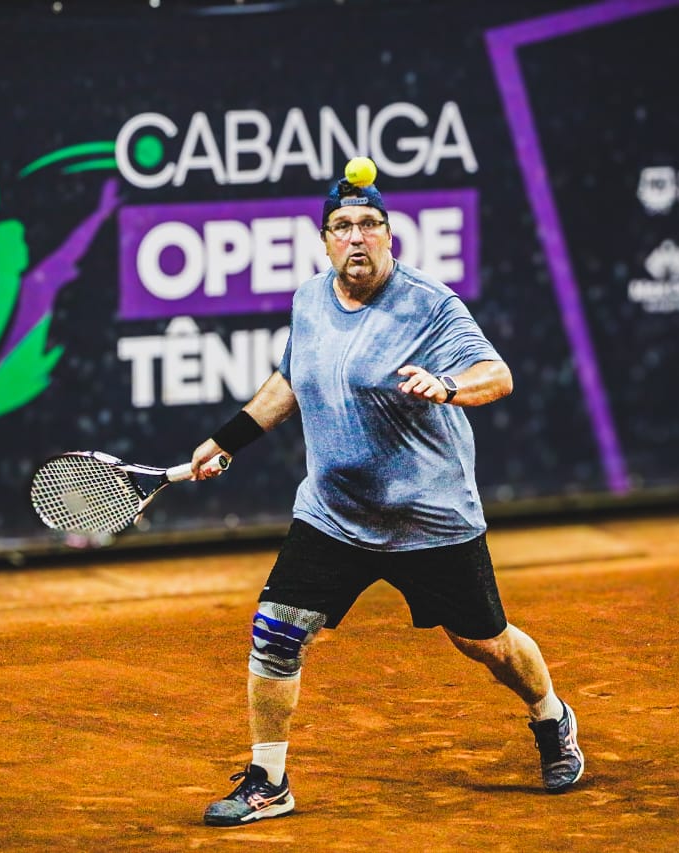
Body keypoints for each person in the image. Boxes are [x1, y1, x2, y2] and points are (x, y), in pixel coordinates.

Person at [189, 175, 584, 827]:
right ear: (324, 240)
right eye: (343, 227)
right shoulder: (309, 300)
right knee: (276, 632)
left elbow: (497, 375)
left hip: (429, 519)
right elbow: (290, 381)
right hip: (333, 514)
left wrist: (447, 386)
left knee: (486, 643)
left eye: (369, 225)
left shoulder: (429, 304)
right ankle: (269, 780)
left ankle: (550, 715)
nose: (357, 237)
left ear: (389, 235)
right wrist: (226, 440)